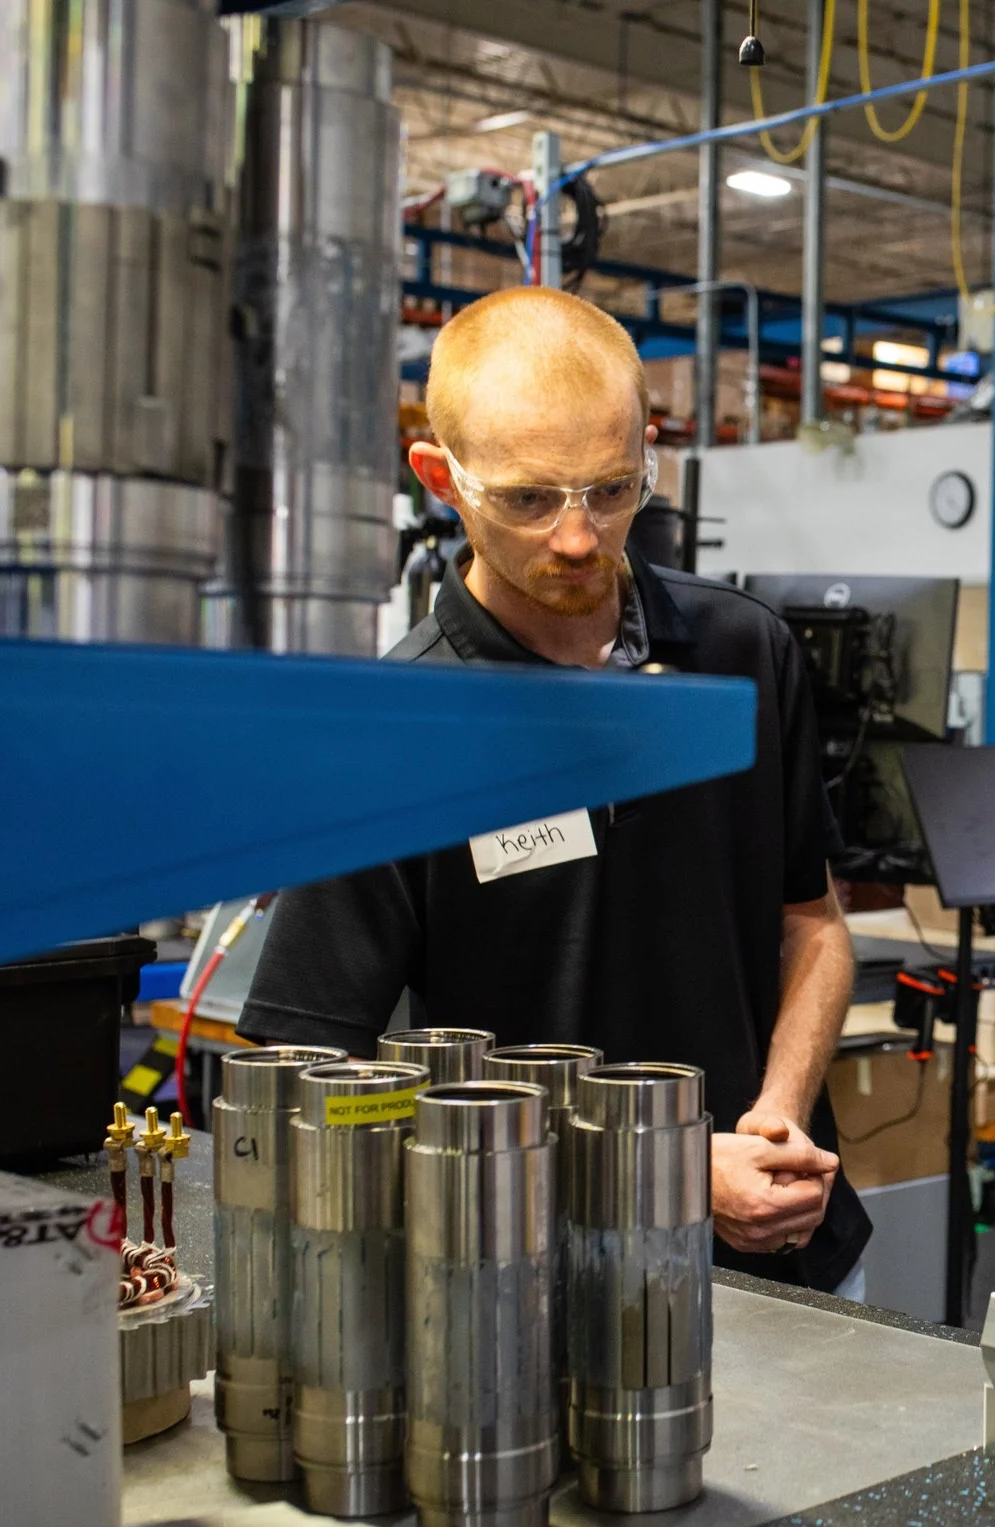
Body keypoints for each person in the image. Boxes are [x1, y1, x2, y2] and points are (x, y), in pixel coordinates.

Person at [239, 286, 870, 1295]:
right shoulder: (393, 730)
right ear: (441, 477)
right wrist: (651, 1166)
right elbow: (304, 1074)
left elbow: (814, 922)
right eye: (530, 499)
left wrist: (777, 1116)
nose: (579, 538)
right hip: (521, 1286)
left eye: (614, 489)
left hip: (763, 1257)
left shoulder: (742, 650)